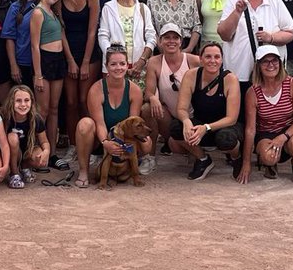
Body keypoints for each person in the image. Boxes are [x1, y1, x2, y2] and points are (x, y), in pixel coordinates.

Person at [73, 46, 151, 188]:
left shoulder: (134, 90)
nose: (118, 68)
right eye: (113, 64)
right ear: (106, 66)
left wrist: (122, 145)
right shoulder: (96, 89)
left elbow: (133, 124)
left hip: (124, 137)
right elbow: (100, 123)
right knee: (85, 124)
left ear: (127, 65)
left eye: (122, 64)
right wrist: (106, 143)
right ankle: (84, 171)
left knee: (147, 144)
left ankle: (125, 164)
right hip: (100, 140)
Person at [217, 0, 293, 96]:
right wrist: (237, 12)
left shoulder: (275, 1)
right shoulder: (232, 2)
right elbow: (224, 35)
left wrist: (271, 38)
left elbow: (290, 32)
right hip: (239, 72)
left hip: (270, 73)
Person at [170, 40, 241, 181]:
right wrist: (186, 121)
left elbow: (232, 118)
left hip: (224, 126)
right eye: (208, 57)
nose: (212, 61)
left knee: (226, 139)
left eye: (217, 57)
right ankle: (203, 159)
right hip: (201, 123)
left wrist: (207, 127)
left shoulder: (230, 79)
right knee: (176, 127)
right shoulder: (191, 76)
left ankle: (236, 157)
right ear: (201, 59)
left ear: (222, 60)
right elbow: (182, 108)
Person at [238, 46, 293, 182]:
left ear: (280, 63)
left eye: (274, 60)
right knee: (269, 157)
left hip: (289, 131)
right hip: (266, 133)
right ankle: (270, 164)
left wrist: (283, 137)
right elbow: (250, 129)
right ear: (258, 66)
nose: (271, 65)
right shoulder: (252, 92)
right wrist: (246, 163)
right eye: (265, 61)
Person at [57, 0, 101, 158]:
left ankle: (89, 143)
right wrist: (70, 60)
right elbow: (61, 30)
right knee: (71, 101)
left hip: (89, 54)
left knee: (85, 100)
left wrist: (84, 62)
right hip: (67, 52)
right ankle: (74, 144)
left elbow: (92, 31)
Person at [144, 24, 200, 154]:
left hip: (194, 115)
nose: (171, 41)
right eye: (167, 37)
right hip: (170, 116)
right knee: (147, 108)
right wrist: (153, 98)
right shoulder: (154, 62)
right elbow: (148, 92)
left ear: (181, 42)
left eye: (175, 38)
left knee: (183, 147)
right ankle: (151, 154)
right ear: (160, 41)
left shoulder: (194, 60)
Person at [97, 0, 156, 86]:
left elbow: (151, 37)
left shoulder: (143, 9)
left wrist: (142, 61)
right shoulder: (108, 8)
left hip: (138, 68)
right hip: (114, 69)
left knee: (138, 96)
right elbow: (103, 36)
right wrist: (114, 59)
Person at [30, 0, 68, 147]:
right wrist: (38, 75)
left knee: (54, 109)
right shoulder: (38, 12)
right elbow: (34, 46)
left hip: (58, 60)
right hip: (44, 61)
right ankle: (35, 147)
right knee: (42, 110)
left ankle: (51, 151)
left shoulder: (53, 12)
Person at [3, 84, 51, 187]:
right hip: (10, 152)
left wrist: (46, 151)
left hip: (27, 151)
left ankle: (24, 167)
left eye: (26, 100)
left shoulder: (36, 118)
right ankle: (14, 173)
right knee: (13, 137)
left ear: (32, 102)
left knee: (39, 159)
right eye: (18, 101)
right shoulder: (5, 117)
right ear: (11, 101)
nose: (23, 104)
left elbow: (44, 141)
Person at [2, 0, 42, 90]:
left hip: (44, 60)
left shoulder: (47, 4)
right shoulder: (15, 7)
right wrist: (13, 65)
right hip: (23, 61)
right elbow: (9, 38)